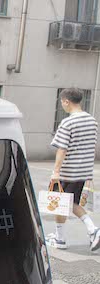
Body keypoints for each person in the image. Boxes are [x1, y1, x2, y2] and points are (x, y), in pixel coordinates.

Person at [47, 88, 100, 252]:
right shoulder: (92, 121)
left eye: (62, 102)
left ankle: (61, 238)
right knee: (71, 203)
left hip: (67, 172)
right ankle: (91, 230)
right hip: (83, 171)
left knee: (58, 203)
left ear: (66, 101)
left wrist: (56, 171)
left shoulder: (68, 122)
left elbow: (62, 148)